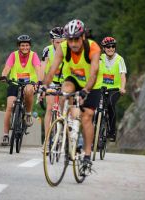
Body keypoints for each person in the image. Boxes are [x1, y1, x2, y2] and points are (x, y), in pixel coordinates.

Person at [44, 19, 101, 170]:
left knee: (87, 117)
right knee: (65, 91)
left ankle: (87, 156)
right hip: (73, 79)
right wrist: (44, 86)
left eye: (76, 39)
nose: (73, 43)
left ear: (83, 37)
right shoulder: (63, 48)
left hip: (92, 83)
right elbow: (52, 69)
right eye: (70, 40)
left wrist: (86, 91)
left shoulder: (93, 48)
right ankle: (65, 124)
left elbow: (94, 73)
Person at [0, 34, 43, 145]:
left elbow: (38, 68)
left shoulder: (34, 55)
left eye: (27, 45)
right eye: (22, 45)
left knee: (28, 91)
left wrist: (39, 81)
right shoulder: (13, 55)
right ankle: (5, 135)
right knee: (9, 106)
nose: (25, 47)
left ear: (30, 46)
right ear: (19, 46)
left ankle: (28, 114)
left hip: (29, 83)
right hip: (15, 82)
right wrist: (4, 75)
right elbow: (7, 67)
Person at [95, 36, 127, 142]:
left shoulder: (119, 59)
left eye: (113, 46)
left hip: (115, 89)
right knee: (94, 107)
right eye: (108, 47)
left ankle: (112, 132)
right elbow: (94, 71)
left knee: (110, 104)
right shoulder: (100, 58)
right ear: (104, 48)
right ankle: (95, 135)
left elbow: (122, 75)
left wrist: (122, 88)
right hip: (101, 88)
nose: (111, 48)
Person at [41, 27, 66, 143]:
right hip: (51, 81)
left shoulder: (69, 50)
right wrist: (41, 83)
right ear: (52, 41)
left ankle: (64, 133)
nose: (60, 44)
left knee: (64, 107)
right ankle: (46, 139)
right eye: (57, 42)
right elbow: (42, 67)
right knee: (50, 108)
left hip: (65, 81)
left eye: (62, 42)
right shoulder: (47, 50)